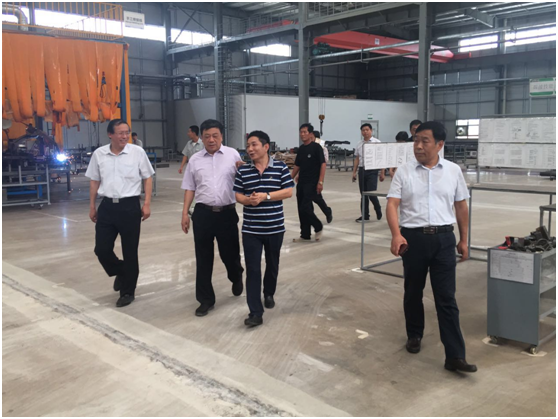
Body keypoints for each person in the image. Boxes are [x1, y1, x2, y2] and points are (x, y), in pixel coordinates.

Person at [386, 121, 477, 373]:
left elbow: (461, 206)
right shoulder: (404, 171)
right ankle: (414, 334)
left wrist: (464, 239)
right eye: (416, 140)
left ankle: (455, 356)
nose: (418, 146)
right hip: (412, 239)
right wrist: (396, 235)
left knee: (446, 297)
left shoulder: (453, 171)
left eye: (424, 141)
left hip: (444, 240)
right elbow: (392, 204)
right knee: (413, 291)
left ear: (439, 144)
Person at [86, 119, 154, 307]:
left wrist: (147, 203)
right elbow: (94, 181)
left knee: (130, 251)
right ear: (110, 134)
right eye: (120, 133)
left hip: (130, 207)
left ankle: (128, 292)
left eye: (127, 132)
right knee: (101, 249)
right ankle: (122, 270)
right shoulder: (99, 154)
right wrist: (92, 206)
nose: (125, 136)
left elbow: (148, 178)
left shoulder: (137, 152)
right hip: (107, 207)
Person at [181, 119, 245, 317]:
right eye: (207, 136)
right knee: (203, 259)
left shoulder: (233, 155)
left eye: (215, 136)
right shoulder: (195, 160)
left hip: (227, 213)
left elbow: (243, 180)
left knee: (230, 255)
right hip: (202, 214)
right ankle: (205, 299)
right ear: (201, 137)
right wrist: (184, 213)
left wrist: (243, 170)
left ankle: (236, 275)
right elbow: (189, 188)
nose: (211, 140)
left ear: (221, 136)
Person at [233, 130, 294, 327]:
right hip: (251, 230)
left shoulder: (280, 167)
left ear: (266, 146)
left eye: (254, 145)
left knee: (272, 263)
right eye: (248, 146)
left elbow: (288, 191)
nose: (250, 149)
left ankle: (269, 293)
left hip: (275, 227)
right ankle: (255, 312)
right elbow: (237, 195)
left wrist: (265, 196)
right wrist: (248, 201)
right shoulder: (243, 171)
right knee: (252, 269)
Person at [291, 123, 326, 242]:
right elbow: (297, 165)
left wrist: (320, 182)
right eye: (301, 132)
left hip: (312, 183)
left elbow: (323, 164)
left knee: (305, 207)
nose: (302, 134)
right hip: (301, 183)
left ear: (310, 134)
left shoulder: (316, 148)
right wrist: (289, 179)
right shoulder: (301, 149)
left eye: (305, 132)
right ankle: (305, 234)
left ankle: (318, 226)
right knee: (301, 208)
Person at [351, 123, 385, 223]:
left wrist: (382, 172)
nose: (365, 132)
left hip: (372, 170)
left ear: (371, 131)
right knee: (363, 194)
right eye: (363, 130)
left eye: (367, 130)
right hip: (362, 170)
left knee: (371, 193)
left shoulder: (377, 142)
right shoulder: (359, 144)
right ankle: (365, 215)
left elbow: (381, 158)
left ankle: (377, 208)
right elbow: (357, 158)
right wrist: (354, 172)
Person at [309, 130, 333, 223]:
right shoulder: (307, 147)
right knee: (307, 198)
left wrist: (320, 181)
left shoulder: (322, 148)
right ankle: (310, 217)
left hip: (316, 174)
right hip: (307, 175)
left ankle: (327, 211)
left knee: (316, 197)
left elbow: (325, 161)